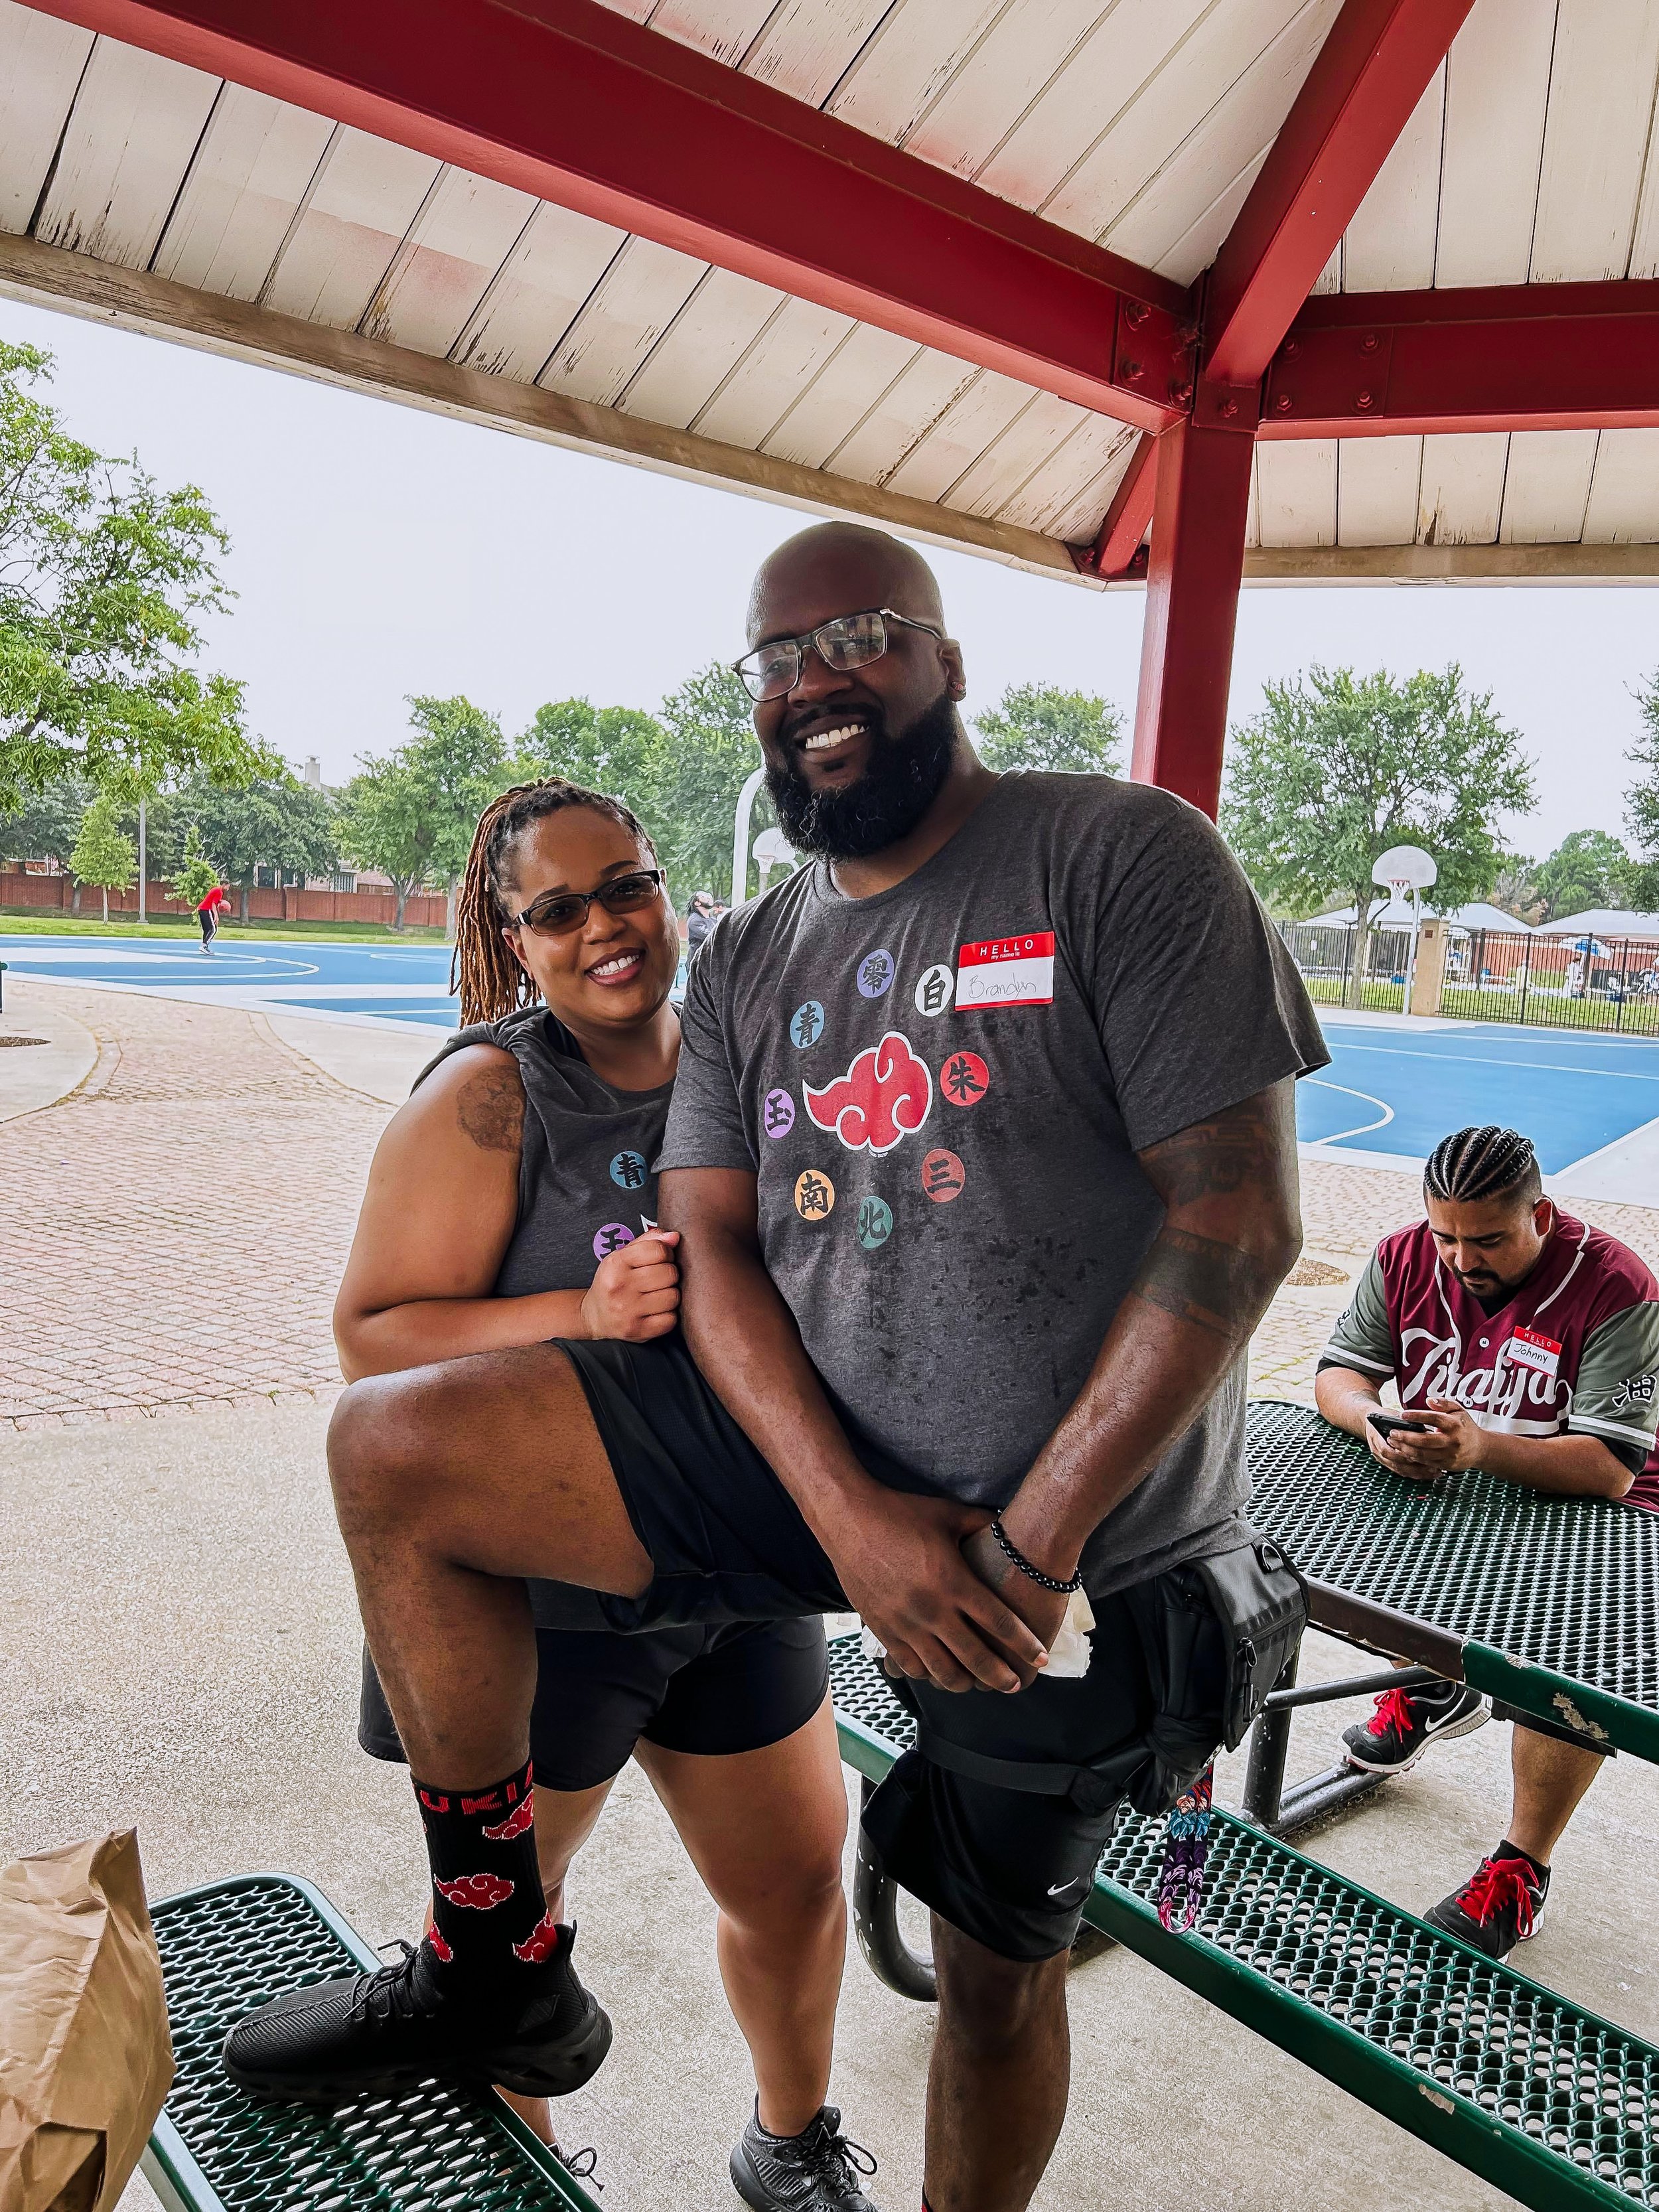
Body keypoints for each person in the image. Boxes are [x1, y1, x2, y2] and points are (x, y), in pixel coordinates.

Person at [228, 522, 1327, 2212]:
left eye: (861, 637)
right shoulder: (749, 954)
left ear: (946, 663)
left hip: (1082, 1537)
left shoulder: (1120, 854)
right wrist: (855, 1519)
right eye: (775, 660)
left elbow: (1237, 1223)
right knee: (395, 1449)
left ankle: (836, 2151)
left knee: (988, 1965)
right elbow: (718, 1249)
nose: (813, 682)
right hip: (814, 1479)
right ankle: (488, 1956)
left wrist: (1022, 1545)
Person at [289, 778, 879, 2210]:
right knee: (511, 1932)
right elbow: (372, 1336)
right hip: (558, 1599)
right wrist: (576, 1307)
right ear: (513, 938)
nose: (606, 926)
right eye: (558, 908)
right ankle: (532, 2179)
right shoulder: (491, 1091)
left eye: (627, 885)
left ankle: (789, 2139)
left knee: (797, 1885)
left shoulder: (735, 1053)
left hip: (732, 1565)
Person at [1315, 1124, 1659, 1958]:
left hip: (1604, 1515)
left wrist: (1477, 1448)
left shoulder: (1619, 1285)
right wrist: (1374, 1422)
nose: (1463, 1259)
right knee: (1381, 1540)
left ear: (1540, 1214)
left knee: (1569, 1661)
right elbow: (1338, 1372)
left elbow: (1612, 1467)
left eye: (1489, 1239)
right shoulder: (1402, 1256)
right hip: (1467, 1477)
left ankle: (1522, 1866)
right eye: (1446, 1236)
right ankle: (1440, 1686)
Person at [196, 880, 228, 953]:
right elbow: (213, 904)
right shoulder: (219, 891)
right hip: (206, 909)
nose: (228, 888)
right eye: (227, 886)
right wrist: (216, 916)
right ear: (224, 884)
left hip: (201, 909)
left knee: (207, 930)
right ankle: (204, 945)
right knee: (213, 929)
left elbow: (213, 901)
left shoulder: (215, 889)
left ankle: (204, 946)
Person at [686, 889, 717, 954]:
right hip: (698, 960)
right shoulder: (694, 920)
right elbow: (711, 936)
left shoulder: (714, 920)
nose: (709, 898)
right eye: (703, 897)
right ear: (697, 903)